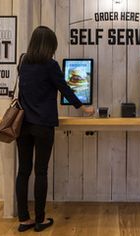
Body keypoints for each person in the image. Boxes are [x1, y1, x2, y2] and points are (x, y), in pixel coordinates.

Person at [16, 26, 95, 232]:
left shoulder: (23, 61)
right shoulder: (50, 65)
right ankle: (40, 220)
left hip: (22, 125)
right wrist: (84, 107)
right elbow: (65, 89)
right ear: (49, 45)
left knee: (23, 171)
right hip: (43, 125)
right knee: (40, 171)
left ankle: (24, 220)